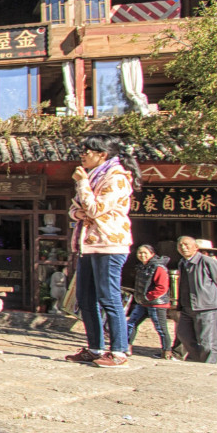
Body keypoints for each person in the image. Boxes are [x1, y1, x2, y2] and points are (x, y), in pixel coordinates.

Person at [66, 137, 139, 368]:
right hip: (87, 244)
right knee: (85, 299)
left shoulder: (116, 178)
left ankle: (118, 350)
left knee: (109, 297)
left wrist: (82, 184)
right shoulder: (94, 176)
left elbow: (94, 208)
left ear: (102, 154)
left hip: (109, 244)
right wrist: (82, 211)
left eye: (88, 151)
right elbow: (73, 210)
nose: (83, 155)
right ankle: (95, 347)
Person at [175, 236, 217, 364]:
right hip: (187, 306)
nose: (183, 247)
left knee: (208, 342)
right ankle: (199, 360)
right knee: (184, 335)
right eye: (180, 245)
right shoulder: (182, 263)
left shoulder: (208, 262)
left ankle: (209, 366)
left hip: (206, 306)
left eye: (186, 244)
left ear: (196, 247)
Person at [125, 244, 172, 358]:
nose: (142, 255)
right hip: (143, 302)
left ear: (152, 254)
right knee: (131, 323)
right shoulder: (142, 267)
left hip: (156, 303)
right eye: (140, 253)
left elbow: (162, 287)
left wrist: (148, 297)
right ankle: (126, 347)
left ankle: (167, 352)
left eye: (145, 253)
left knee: (160, 328)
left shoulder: (159, 267)